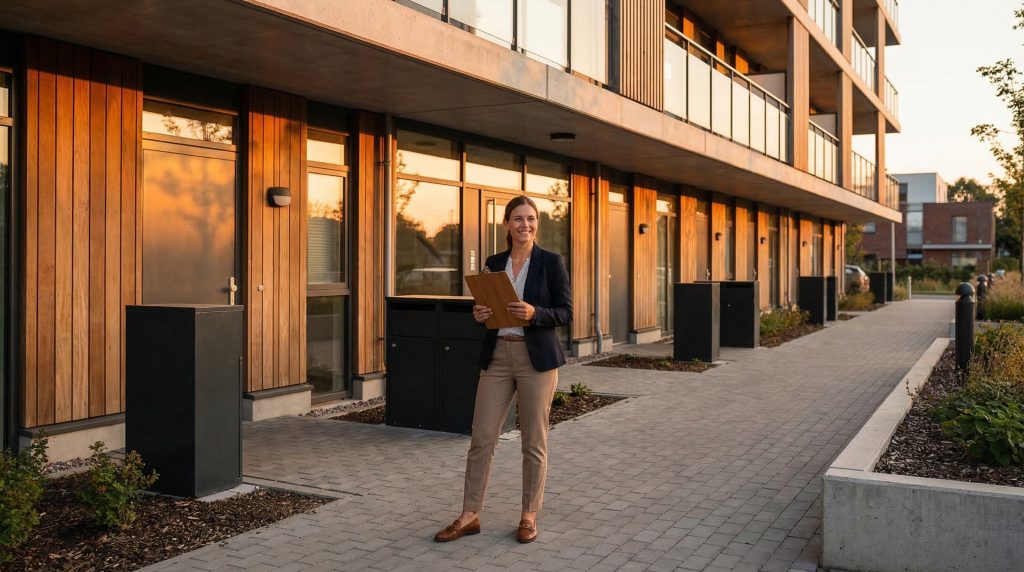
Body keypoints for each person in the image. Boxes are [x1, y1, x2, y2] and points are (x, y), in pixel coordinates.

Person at [434, 195, 572, 544]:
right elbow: (488, 308)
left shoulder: (551, 262)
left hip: (535, 360)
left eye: (531, 218)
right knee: (481, 438)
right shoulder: (494, 262)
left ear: (536, 223)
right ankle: (470, 515)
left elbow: (566, 312)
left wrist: (534, 313)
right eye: (518, 219)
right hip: (497, 357)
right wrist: (480, 315)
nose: (525, 225)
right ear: (507, 224)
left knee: (534, 441)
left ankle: (528, 515)